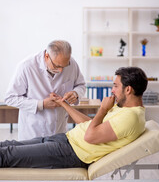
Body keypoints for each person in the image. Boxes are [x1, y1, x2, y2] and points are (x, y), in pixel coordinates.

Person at [1, 67, 148, 171]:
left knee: (8, 155)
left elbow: (90, 136)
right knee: (9, 144)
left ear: (128, 90)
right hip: (66, 140)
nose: (112, 90)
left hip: (71, 152)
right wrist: (62, 103)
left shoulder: (131, 117)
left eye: (115, 86)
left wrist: (103, 109)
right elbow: (89, 125)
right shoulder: (124, 108)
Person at [4, 40, 86, 182]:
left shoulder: (71, 64)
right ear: (46, 56)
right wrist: (40, 104)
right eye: (57, 66)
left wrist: (76, 94)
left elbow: (81, 85)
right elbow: (10, 98)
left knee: (65, 181)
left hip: (59, 133)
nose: (61, 70)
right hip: (32, 132)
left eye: (65, 65)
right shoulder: (27, 66)